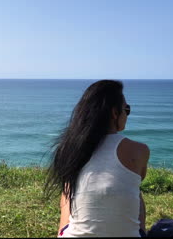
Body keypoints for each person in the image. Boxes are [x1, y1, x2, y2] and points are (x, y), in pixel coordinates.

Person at [44, 79, 150, 237]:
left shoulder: (68, 148)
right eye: (126, 109)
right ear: (115, 113)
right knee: (136, 191)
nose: (127, 114)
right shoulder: (139, 151)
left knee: (68, 188)